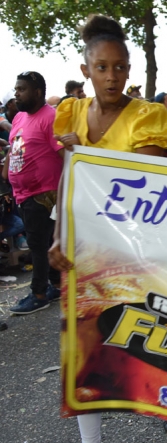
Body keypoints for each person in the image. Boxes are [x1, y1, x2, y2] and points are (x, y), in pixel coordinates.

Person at [47, 14, 167, 443]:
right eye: (102, 67)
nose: (112, 76)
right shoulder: (70, 113)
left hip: (139, 247)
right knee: (84, 347)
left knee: (154, 336)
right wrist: (58, 236)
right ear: (86, 70)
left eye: (120, 67)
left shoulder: (148, 116)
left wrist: (82, 152)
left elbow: (146, 178)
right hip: (85, 248)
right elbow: (70, 179)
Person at [3, 71, 63, 315]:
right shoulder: (19, 117)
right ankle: (56, 286)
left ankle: (38, 294)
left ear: (37, 92)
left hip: (43, 193)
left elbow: (65, 154)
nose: (16, 94)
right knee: (44, 243)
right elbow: (14, 146)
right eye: (16, 89)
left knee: (37, 246)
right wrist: (7, 171)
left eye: (22, 89)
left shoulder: (51, 117)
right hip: (22, 193)